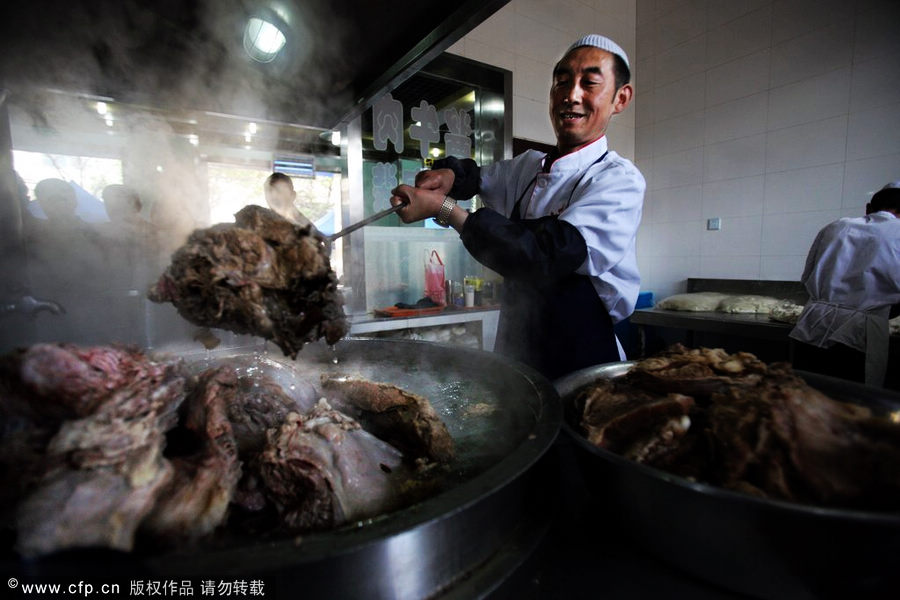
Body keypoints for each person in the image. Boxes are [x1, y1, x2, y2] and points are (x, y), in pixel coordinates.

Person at [389, 34, 644, 379]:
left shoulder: (618, 180)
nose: (572, 95)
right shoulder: (529, 167)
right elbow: (477, 177)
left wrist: (444, 210)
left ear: (620, 98)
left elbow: (546, 253)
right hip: (518, 347)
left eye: (590, 83)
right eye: (562, 81)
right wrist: (448, 176)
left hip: (582, 353)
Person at [790, 182, 900, 387]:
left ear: (868, 208)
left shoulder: (836, 226)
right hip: (859, 335)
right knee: (851, 404)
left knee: (805, 394)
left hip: (812, 325)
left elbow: (806, 276)